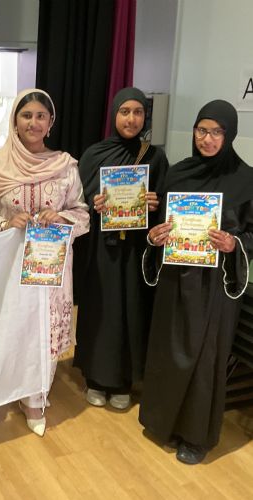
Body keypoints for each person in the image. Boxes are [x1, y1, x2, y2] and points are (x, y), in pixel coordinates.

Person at [0, 88, 89, 436]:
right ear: (15, 121)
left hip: (51, 268)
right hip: (9, 267)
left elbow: (83, 214)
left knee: (45, 328)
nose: (33, 123)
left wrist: (61, 217)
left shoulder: (65, 167)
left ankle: (36, 397)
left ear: (50, 123)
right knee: (13, 326)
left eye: (41, 116)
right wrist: (5, 223)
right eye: (26, 116)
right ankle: (10, 385)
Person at [139, 99, 253, 464]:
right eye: (202, 130)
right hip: (176, 277)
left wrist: (235, 243)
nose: (207, 139)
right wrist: (154, 235)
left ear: (229, 135)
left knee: (206, 358)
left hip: (215, 286)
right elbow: (162, 223)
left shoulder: (246, 179)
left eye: (217, 132)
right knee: (168, 350)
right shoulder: (178, 173)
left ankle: (195, 436)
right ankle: (164, 422)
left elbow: (252, 234)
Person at [73, 87, 169, 410]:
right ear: (114, 114)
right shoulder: (94, 154)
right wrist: (94, 202)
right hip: (103, 249)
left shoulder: (155, 157)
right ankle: (96, 378)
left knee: (132, 309)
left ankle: (125, 380)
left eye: (138, 112)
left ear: (145, 117)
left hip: (136, 249)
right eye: (125, 112)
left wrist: (155, 203)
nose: (131, 119)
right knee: (102, 309)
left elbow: (166, 204)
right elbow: (77, 202)